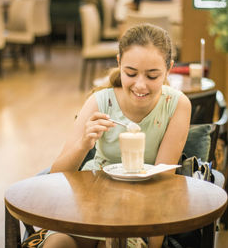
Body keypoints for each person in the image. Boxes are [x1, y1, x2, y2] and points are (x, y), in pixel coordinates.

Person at [42, 24, 192, 248]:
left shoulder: (177, 105)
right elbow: (56, 175)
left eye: (152, 76)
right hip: (88, 204)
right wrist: (85, 143)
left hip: (137, 213)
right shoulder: (100, 101)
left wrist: (154, 245)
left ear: (169, 69)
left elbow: (164, 186)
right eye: (131, 73)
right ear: (119, 62)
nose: (140, 85)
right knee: (57, 244)